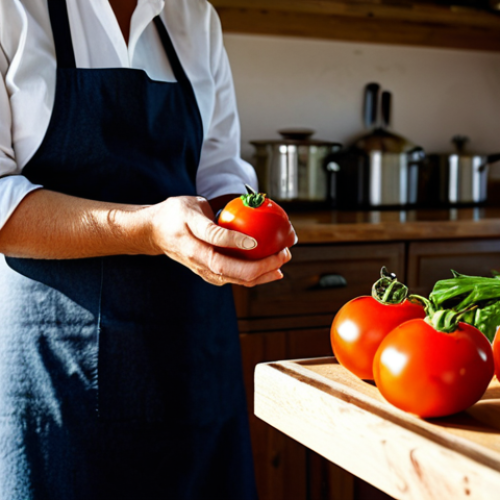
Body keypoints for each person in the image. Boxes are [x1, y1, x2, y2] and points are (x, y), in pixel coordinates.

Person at [0, 1, 293, 498]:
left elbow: (218, 166)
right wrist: (150, 228)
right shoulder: (13, 12)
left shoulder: (194, 17)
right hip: (56, 362)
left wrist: (243, 229)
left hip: (191, 354)